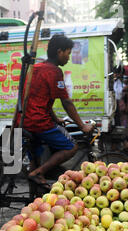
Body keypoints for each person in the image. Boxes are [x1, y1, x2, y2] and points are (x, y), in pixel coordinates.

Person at [16, 34, 93, 186]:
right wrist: (82, 126)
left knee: (37, 156)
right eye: (68, 53)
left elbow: (42, 99)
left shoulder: (36, 68)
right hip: (38, 121)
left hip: (24, 120)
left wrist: (56, 118)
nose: (68, 58)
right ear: (60, 52)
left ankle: (35, 185)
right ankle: (38, 173)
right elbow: (66, 102)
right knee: (71, 146)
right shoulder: (54, 71)